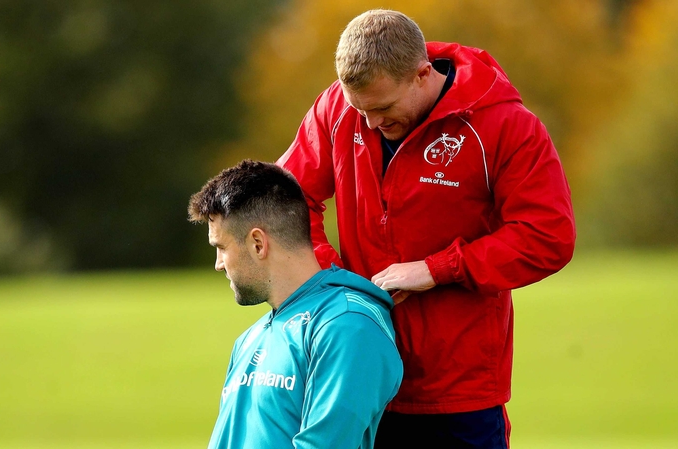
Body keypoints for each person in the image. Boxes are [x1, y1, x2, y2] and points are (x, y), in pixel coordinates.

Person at [276, 9, 576, 448]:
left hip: (458, 392)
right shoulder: (340, 109)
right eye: (359, 109)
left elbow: (548, 235)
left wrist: (438, 269)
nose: (370, 124)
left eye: (382, 108)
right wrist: (332, 280)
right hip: (356, 374)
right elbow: (288, 199)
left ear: (422, 74)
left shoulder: (506, 126)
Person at [187, 159, 403, 449]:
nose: (218, 265)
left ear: (258, 244)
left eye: (222, 248)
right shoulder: (251, 338)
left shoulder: (347, 326)